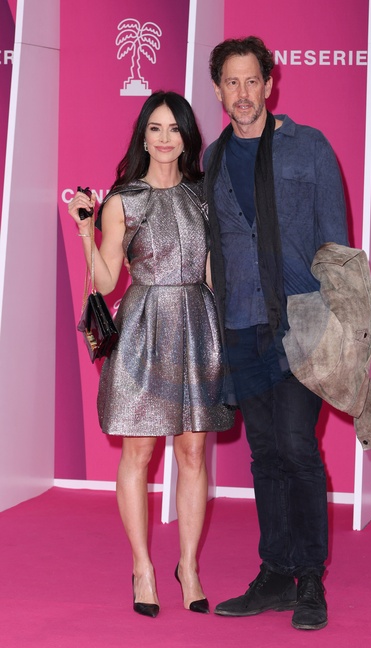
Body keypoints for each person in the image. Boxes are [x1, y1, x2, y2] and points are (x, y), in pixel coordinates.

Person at [68, 91, 234, 618]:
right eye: (156, 128)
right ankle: (142, 567)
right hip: (142, 329)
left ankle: (189, 566)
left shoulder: (204, 194)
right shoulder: (124, 200)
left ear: (188, 137)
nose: (165, 139)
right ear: (143, 136)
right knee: (138, 454)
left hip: (197, 326)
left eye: (175, 129)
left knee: (192, 454)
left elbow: (213, 274)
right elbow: (104, 282)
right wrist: (85, 232)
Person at [203, 36, 349, 631]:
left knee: (297, 447)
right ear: (219, 90)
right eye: (231, 82)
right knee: (264, 454)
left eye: (251, 80)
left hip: (301, 320)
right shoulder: (212, 157)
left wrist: (340, 324)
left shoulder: (309, 147)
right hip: (241, 323)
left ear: (269, 84)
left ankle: (309, 576)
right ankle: (275, 573)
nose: (242, 93)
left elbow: (337, 246)